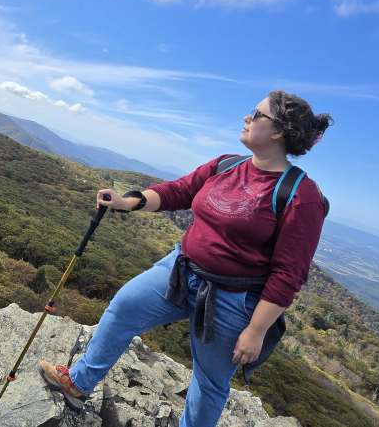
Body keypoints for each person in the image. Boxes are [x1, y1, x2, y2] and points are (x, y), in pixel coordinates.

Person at [38, 90, 333, 426]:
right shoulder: (227, 164)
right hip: (180, 269)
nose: (246, 118)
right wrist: (126, 202)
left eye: (256, 113)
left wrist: (256, 330)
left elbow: (288, 274)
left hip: (233, 299)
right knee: (123, 308)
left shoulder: (301, 195)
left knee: (208, 383)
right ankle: (78, 384)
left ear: (278, 131)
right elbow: (179, 190)